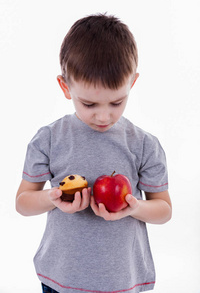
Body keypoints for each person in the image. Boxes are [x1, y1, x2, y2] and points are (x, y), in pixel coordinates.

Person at [16, 14, 172, 293]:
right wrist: (53, 198)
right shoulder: (49, 139)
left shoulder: (144, 145)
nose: (103, 116)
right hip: (59, 279)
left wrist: (134, 208)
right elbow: (23, 202)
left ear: (132, 84)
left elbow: (164, 210)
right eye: (88, 104)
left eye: (116, 102)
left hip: (122, 281)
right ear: (66, 87)